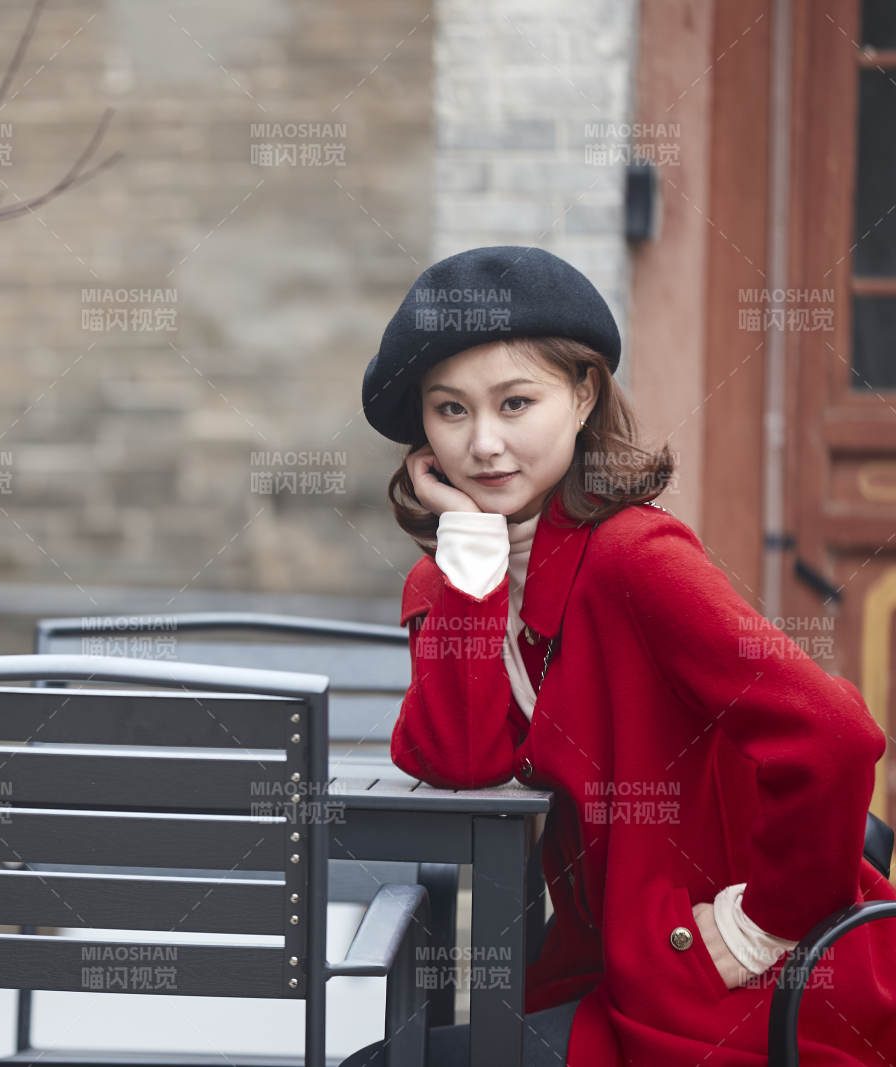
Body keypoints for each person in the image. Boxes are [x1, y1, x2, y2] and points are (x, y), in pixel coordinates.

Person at [341, 245, 896, 1065]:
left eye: (515, 402)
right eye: (451, 410)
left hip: (747, 989)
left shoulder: (637, 559)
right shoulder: (450, 578)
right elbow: (460, 757)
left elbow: (835, 731)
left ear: (583, 392)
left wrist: (758, 924)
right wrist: (469, 567)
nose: (485, 443)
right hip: (613, 978)